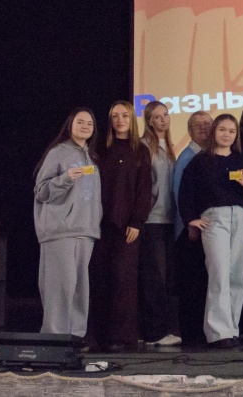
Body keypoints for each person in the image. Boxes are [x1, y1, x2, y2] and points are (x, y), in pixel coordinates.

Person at [178, 114, 243, 348]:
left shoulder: (242, 161)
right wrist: (190, 219)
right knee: (219, 272)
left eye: (231, 131)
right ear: (214, 132)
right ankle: (218, 332)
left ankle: (232, 328)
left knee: (237, 275)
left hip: (240, 218)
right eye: (222, 130)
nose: (226, 135)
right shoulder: (200, 161)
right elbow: (185, 192)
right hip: (215, 219)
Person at [88, 101, 152, 352]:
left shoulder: (140, 151)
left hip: (127, 226)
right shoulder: (99, 150)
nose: (120, 120)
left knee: (124, 282)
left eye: (125, 115)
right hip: (99, 225)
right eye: (115, 116)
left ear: (132, 119)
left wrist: (137, 221)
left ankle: (122, 336)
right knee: (100, 278)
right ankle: (99, 335)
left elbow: (144, 189)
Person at [33, 108, 102, 338]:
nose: (85, 126)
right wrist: (65, 179)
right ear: (70, 125)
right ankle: (54, 338)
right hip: (60, 232)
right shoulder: (58, 152)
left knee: (79, 289)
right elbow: (41, 191)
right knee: (60, 288)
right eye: (80, 122)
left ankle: (75, 337)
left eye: (89, 123)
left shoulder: (91, 156)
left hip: (86, 232)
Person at [139, 101, 182, 347]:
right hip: (152, 220)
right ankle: (154, 333)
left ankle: (158, 329)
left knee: (165, 279)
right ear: (149, 120)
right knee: (155, 277)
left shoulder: (170, 146)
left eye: (166, 114)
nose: (163, 120)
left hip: (168, 220)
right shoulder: (144, 146)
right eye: (157, 116)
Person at [172, 110, 212, 345]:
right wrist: (190, 224)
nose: (205, 128)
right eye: (199, 125)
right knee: (191, 285)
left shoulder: (208, 155)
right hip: (190, 232)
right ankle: (192, 335)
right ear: (189, 131)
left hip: (203, 229)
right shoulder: (187, 157)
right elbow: (180, 195)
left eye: (208, 123)